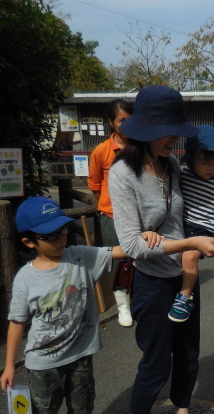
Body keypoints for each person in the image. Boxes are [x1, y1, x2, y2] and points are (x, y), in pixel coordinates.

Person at [0, 197, 163, 414]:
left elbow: (118, 251)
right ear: (29, 242)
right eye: (50, 235)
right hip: (43, 360)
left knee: (83, 398)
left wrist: (145, 238)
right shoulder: (26, 278)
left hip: (80, 351)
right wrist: (9, 365)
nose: (61, 238)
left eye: (63, 230)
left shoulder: (79, 255)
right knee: (44, 407)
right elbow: (17, 322)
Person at [108, 86, 214, 414]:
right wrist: (189, 243)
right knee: (157, 357)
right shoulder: (122, 173)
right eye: (167, 131)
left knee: (188, 352)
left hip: (183, 278)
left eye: (176, 131)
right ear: (143, 129)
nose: (174, 139)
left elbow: (186, 213)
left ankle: (182, 412)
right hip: (151, 281)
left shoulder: (172, 165)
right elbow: (132, 246)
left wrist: (203, 237)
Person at [168, 124, 214, 322]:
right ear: (190, 158)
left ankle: (184, 296)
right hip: (183, 224)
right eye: (204, 162)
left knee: (189, 257)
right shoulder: (183, 175)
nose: (211, 168)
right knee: (174, 257)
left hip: (206, 228)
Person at [87, 99, 134, 327]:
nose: (127, 124)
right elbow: (95, 185)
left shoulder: (142, 147)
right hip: (112, 216)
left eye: (131, 120)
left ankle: (139, 299)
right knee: (118, 261)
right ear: (111, 123)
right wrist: (106, 206)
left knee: (139, 257)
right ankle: (123, 305)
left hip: (138, 215)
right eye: (121, 120)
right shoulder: (102, 151)